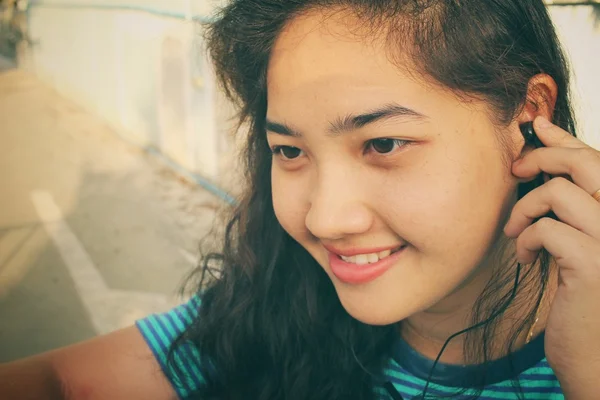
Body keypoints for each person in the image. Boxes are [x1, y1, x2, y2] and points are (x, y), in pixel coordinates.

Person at [2, 0, 600, 399]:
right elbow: (63, 381)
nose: (324, 218)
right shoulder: (274, 306)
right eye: (289, 152)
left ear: (528, 114)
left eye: (384, 143)